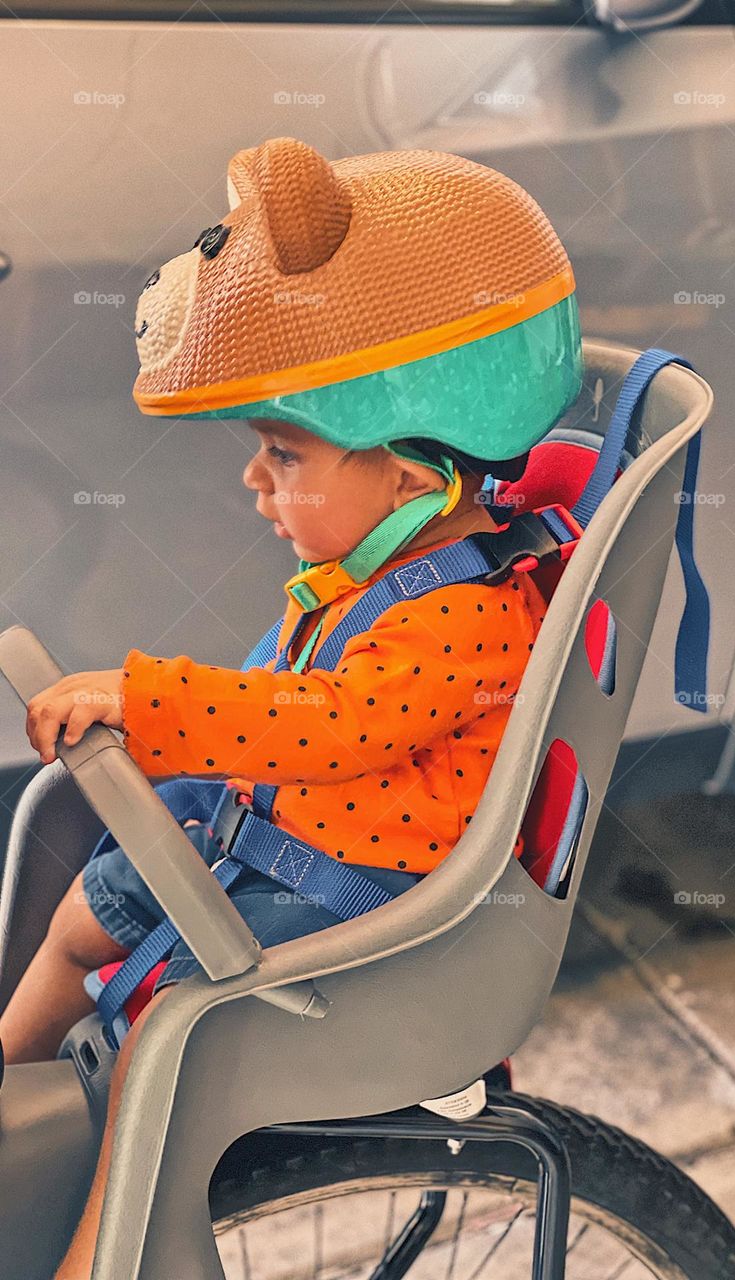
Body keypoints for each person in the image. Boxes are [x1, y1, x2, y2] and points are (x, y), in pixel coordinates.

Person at [0, 135, 583, 1278]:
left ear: (408, 478)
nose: (253, 480)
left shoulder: (457, 620)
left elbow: (326, 728)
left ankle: (93, 1256)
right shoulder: (368, 572)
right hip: (266, 842)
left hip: (350, 907)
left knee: (156, 1058)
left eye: (281, 453)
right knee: (79, 912)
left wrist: (147, 698)